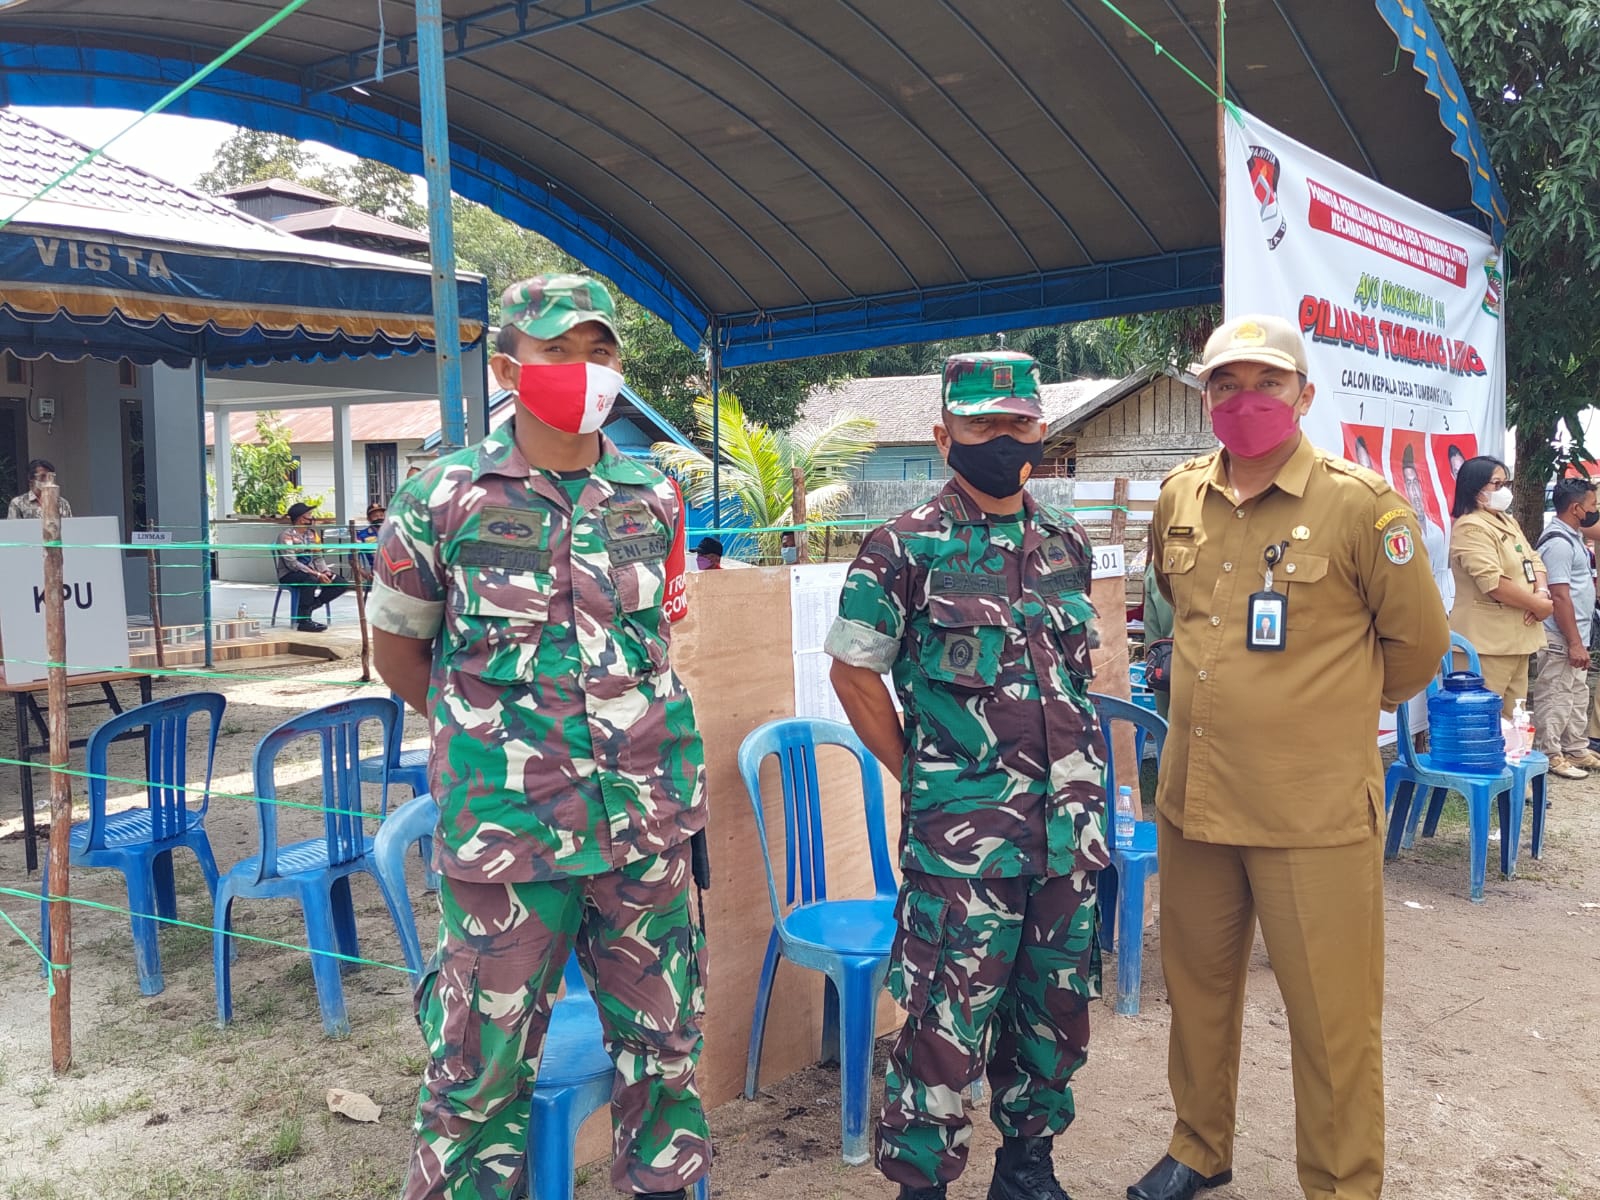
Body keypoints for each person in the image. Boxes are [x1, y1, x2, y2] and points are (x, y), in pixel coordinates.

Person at [369, 274, 710, 1200]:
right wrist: (491, 737)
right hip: (508, 836)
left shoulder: (656, 493)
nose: (584, 370)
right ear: (512, 364)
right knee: (478, 1084)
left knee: (666, 1060)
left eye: (600, 352)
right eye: (561, 351)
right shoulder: (442, 494)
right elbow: (402, 655)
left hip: (646, 833)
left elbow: (659, 642)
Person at [1132, 315, 1448, 1200]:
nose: (1245, 400)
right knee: (1195, 997)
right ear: (1206, 397)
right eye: (1225, 384)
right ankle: (1200, 1146)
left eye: (1267, 383)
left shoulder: (1359, 504)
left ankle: (1343, 1185)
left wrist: (1327, 711)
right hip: (1194, 800)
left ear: (1304, 396)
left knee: (1332, 1021)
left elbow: (1418, 646)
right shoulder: (1179, 496)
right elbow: (1177, 608)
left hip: (1311, 812)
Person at [826, 351, 1107, 1200]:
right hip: (962, 851)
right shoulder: (901, 548)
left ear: (1041, 429)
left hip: (1067, 836)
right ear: (945, 434)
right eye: (984, 426)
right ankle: (923, 1184)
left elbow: (1075, 677)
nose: (1004, 439)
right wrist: (918, 771)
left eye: (1019, 423)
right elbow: (853, 672)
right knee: (944, 1030)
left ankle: (1028, 1169)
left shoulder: (1068, 545)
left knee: (1053, 1014)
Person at [1446, 456, 1551, 716]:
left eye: (1506, 483)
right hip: (1486, 643)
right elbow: (1492, 582)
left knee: (1514, 719)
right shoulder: (1470, 527)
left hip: (1518, 637)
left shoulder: (1507, 521)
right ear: (1475, 488)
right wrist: (1536, 605)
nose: (1504, 490)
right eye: (1497, 484)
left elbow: (1533, 559)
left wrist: (1542, 592)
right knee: (1481, 721)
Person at [1528, 477, 1600, 779]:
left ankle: (1575, 747)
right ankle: (1550, 753)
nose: (1595, 510)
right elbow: (1559, 595)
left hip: (1577, 633)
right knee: (1556, 694)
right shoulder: (1558, 543)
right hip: (1561, 636)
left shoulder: (1573, 538)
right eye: (1592, 505)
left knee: (1575, 692)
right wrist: (1573, 642)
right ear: (1576, 509)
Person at [273, 502, 352, 632]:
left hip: (311, 572)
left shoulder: (312, 535)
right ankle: (303, 621)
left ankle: (311, 606)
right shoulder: (286, 536)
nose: (312, 517)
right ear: (300, 519)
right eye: (308, 514)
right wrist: (317, 575)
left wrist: (325, 572)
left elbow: (317, 557)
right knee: (310, 580)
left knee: (340, 583)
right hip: (289, 574)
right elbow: (292, 563)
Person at [7, 458, 72, 520]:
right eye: (43, 476)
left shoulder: (62, 503)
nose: (47, 479)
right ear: (30, 478)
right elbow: (13, 529)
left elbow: (70, 528)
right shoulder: (18, 503)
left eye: (51, 476)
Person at [352, 502, 384, 582]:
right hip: (377, 574)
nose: (379, 518)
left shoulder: (393, 532)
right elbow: (352, 559)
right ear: (369, 519)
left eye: (381, 515)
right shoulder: (362, 535)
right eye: (375, 516)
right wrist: (366, 575)